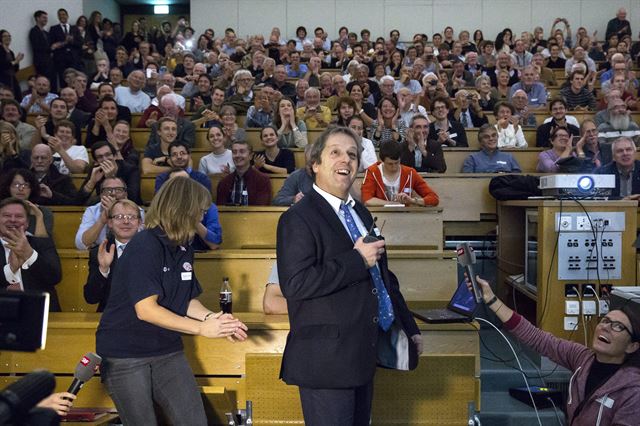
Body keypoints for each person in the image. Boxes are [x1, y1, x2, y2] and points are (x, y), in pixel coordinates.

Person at [276, 127, 422, 425]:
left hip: (362, 354)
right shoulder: (297, 218)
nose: (346, 159)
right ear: (315, 164)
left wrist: (409, 326)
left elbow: (383, 277)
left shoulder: (361, 213)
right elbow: (295, 284)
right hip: (326, 361)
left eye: (352, 154)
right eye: (336, 152)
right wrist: (356, 259)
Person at [96, 177, 248, 426]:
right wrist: (201, 329)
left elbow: (185, 298)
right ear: (183, 208)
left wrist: (213, 319)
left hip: (166, 350)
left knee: (194, 420)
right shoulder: (146, 245)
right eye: (199, 210)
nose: (201, 216)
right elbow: (146, 310)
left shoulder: (183, 245)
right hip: (125, 354)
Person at [472, 274, 640, 425]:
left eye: (618, 326)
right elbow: (537, 338)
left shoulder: (633, 392)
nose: (606, 328)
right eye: (605, 320)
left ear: (632, 346)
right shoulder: (583, 358)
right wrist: (491, 299)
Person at [0, 197, 61, 311]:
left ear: (27, 223)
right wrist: (11, 270)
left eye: (19, 216)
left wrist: (30, 254)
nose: (13, 220)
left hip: (40, 312)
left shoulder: (41, 243)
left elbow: (54, 277)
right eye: (7, 216)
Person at [84, 199, 142, 312]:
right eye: (119, 217)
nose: (126, 221)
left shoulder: (152, 250)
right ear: (110, 223)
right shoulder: (99, 252)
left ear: (139, 222)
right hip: (110, 316)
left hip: (145, 316)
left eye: (131, 217)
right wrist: (103, 269)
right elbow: (91, 298)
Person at [361, 141, 439, 207]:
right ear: (382, 161)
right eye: (390, 164)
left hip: (404, 218)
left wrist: (412, 201)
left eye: (397, 163)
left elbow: (434, 198)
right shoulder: (372, 172)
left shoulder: (410, 173)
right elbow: (367, 200)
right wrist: (393, 204)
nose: (394, 167)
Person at [75, 177, 144, 250]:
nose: (113, 193)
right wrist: (102, 220)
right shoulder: (92, 211)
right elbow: (81, 244)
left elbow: (139, 242)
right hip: (98, 254)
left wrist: (115, 212)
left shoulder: (137, 211)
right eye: (108, 190)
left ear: (125, 194)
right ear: (101, 195)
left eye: (118, 190)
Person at [216, 140, 272, 206]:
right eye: (234, 152)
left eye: (242, 152)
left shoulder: (263, 180)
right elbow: (221, 209)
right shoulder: (224, 183)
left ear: (250, 156)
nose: (237, 155)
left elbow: (261, 209)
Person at [0, 168, 53, 237]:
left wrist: (39, 216)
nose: (21, 189)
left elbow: (43, 244)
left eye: (26, 185)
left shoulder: (44, 212)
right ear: (8, 187)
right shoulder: (1, 208)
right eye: (16, 184)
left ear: (32, 188)